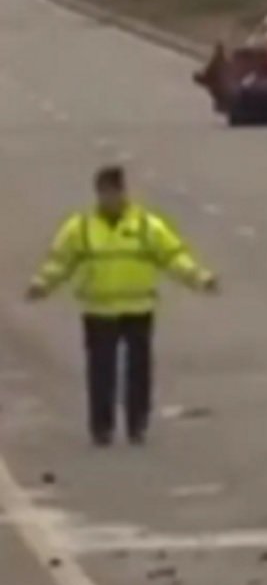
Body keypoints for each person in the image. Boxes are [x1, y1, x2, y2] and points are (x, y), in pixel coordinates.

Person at [24, 165, 219, 447]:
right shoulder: (80, 228)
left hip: (138, 306)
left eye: (114, 193)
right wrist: (42, 284)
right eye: (104, 194)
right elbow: (60, 261)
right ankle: (101, 427)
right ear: (98, 194)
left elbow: (172, 256)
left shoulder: (144, 226)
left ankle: (137, 424)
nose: (110, 199)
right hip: (99, 309)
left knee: (139, 371)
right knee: (101, 372)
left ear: (122, 192)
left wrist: (200, 278)